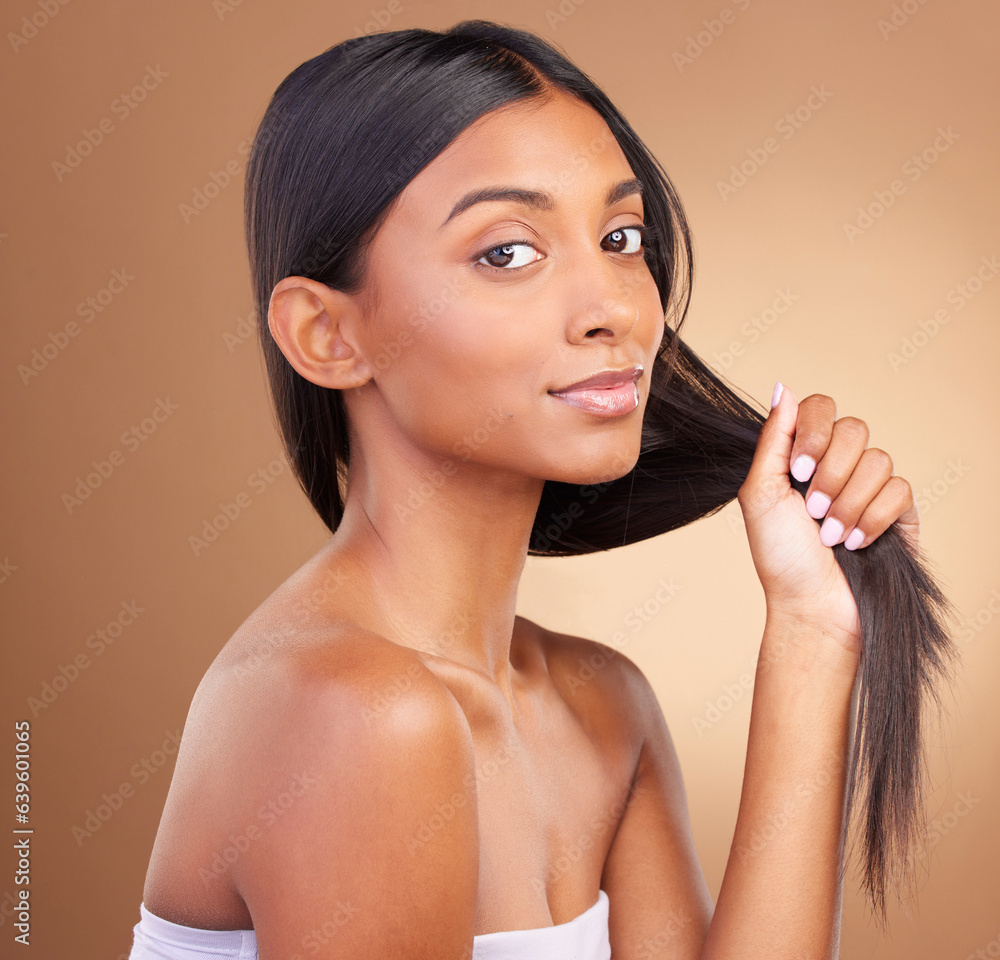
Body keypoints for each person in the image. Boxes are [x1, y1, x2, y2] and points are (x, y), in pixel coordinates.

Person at [128, 20, 939, 960]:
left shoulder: (600, 707)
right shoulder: (352, 714)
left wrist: (814, 630)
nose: (614, 310)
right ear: (327, 335)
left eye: (621, 236)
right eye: (507, 253)